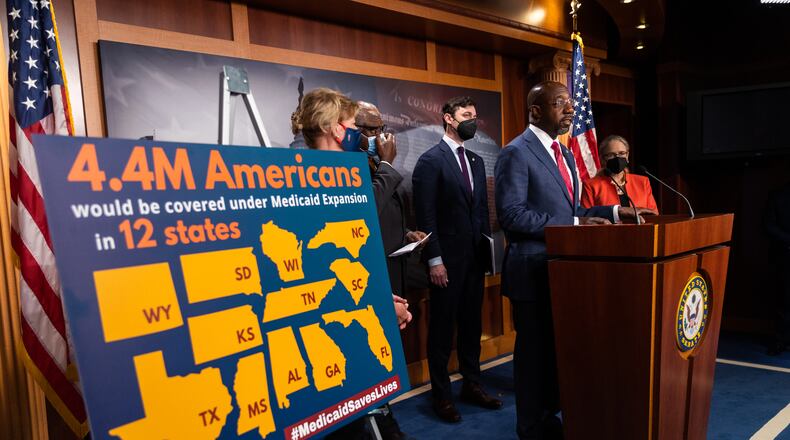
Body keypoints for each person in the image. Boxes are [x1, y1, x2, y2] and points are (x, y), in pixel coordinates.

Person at [494, 81, 654, 440]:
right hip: (532, 273)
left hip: (564, 272)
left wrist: (615, 212)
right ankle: (532, 429)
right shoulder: (515, 153)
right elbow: (512, 216)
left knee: (556, 355)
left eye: (570, 102)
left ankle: (551, 421)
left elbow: (573, 211)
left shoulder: (565, 154)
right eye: (560, 103)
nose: (570, 109)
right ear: (536, 111)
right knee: (535, 359)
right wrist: (577, 222)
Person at [292, 88, 412, 440]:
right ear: (333, 127)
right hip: (328, 329)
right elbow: (318, 264)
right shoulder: (301, 175)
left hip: (359, 308)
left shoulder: (344, 171)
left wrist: (380, 298)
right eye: (350, 124)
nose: (357, 132)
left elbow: (351, 251)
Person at [412, 96, 502, 424]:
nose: (473, 121)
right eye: (467, 115)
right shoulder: (430, 161)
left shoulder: (477, 161)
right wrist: (435, 260)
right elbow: (426, 216)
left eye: (475, 116)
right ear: (449, 119)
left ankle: (472, 385)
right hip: (445, 263)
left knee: (470, 327)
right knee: (441, 331)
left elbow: (479, 212)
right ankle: (442, 396)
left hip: (474, 261)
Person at [356, 101, 427, 300]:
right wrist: (387, 162)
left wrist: (407, 234)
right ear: (354, 130)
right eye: (371, 130)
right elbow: (368, 208)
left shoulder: (374, 161)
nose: (378, 136)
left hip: (395, 266)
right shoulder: (350, 165)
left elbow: (385, 213)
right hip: (371, 269)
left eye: (381, 129)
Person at [581, 135, 658, 212]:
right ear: (602, 159)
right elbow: (586, 217)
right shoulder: (591, 186)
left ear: (627, 156)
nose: (617, 158)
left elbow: (654, 215)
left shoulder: (642, 182)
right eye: (611, 155)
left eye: (621, 153)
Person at [763, 182, 790, 356]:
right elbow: (768, 226)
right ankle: (781, 341)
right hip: (784, 256)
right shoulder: (778, 194)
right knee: (784, 302)